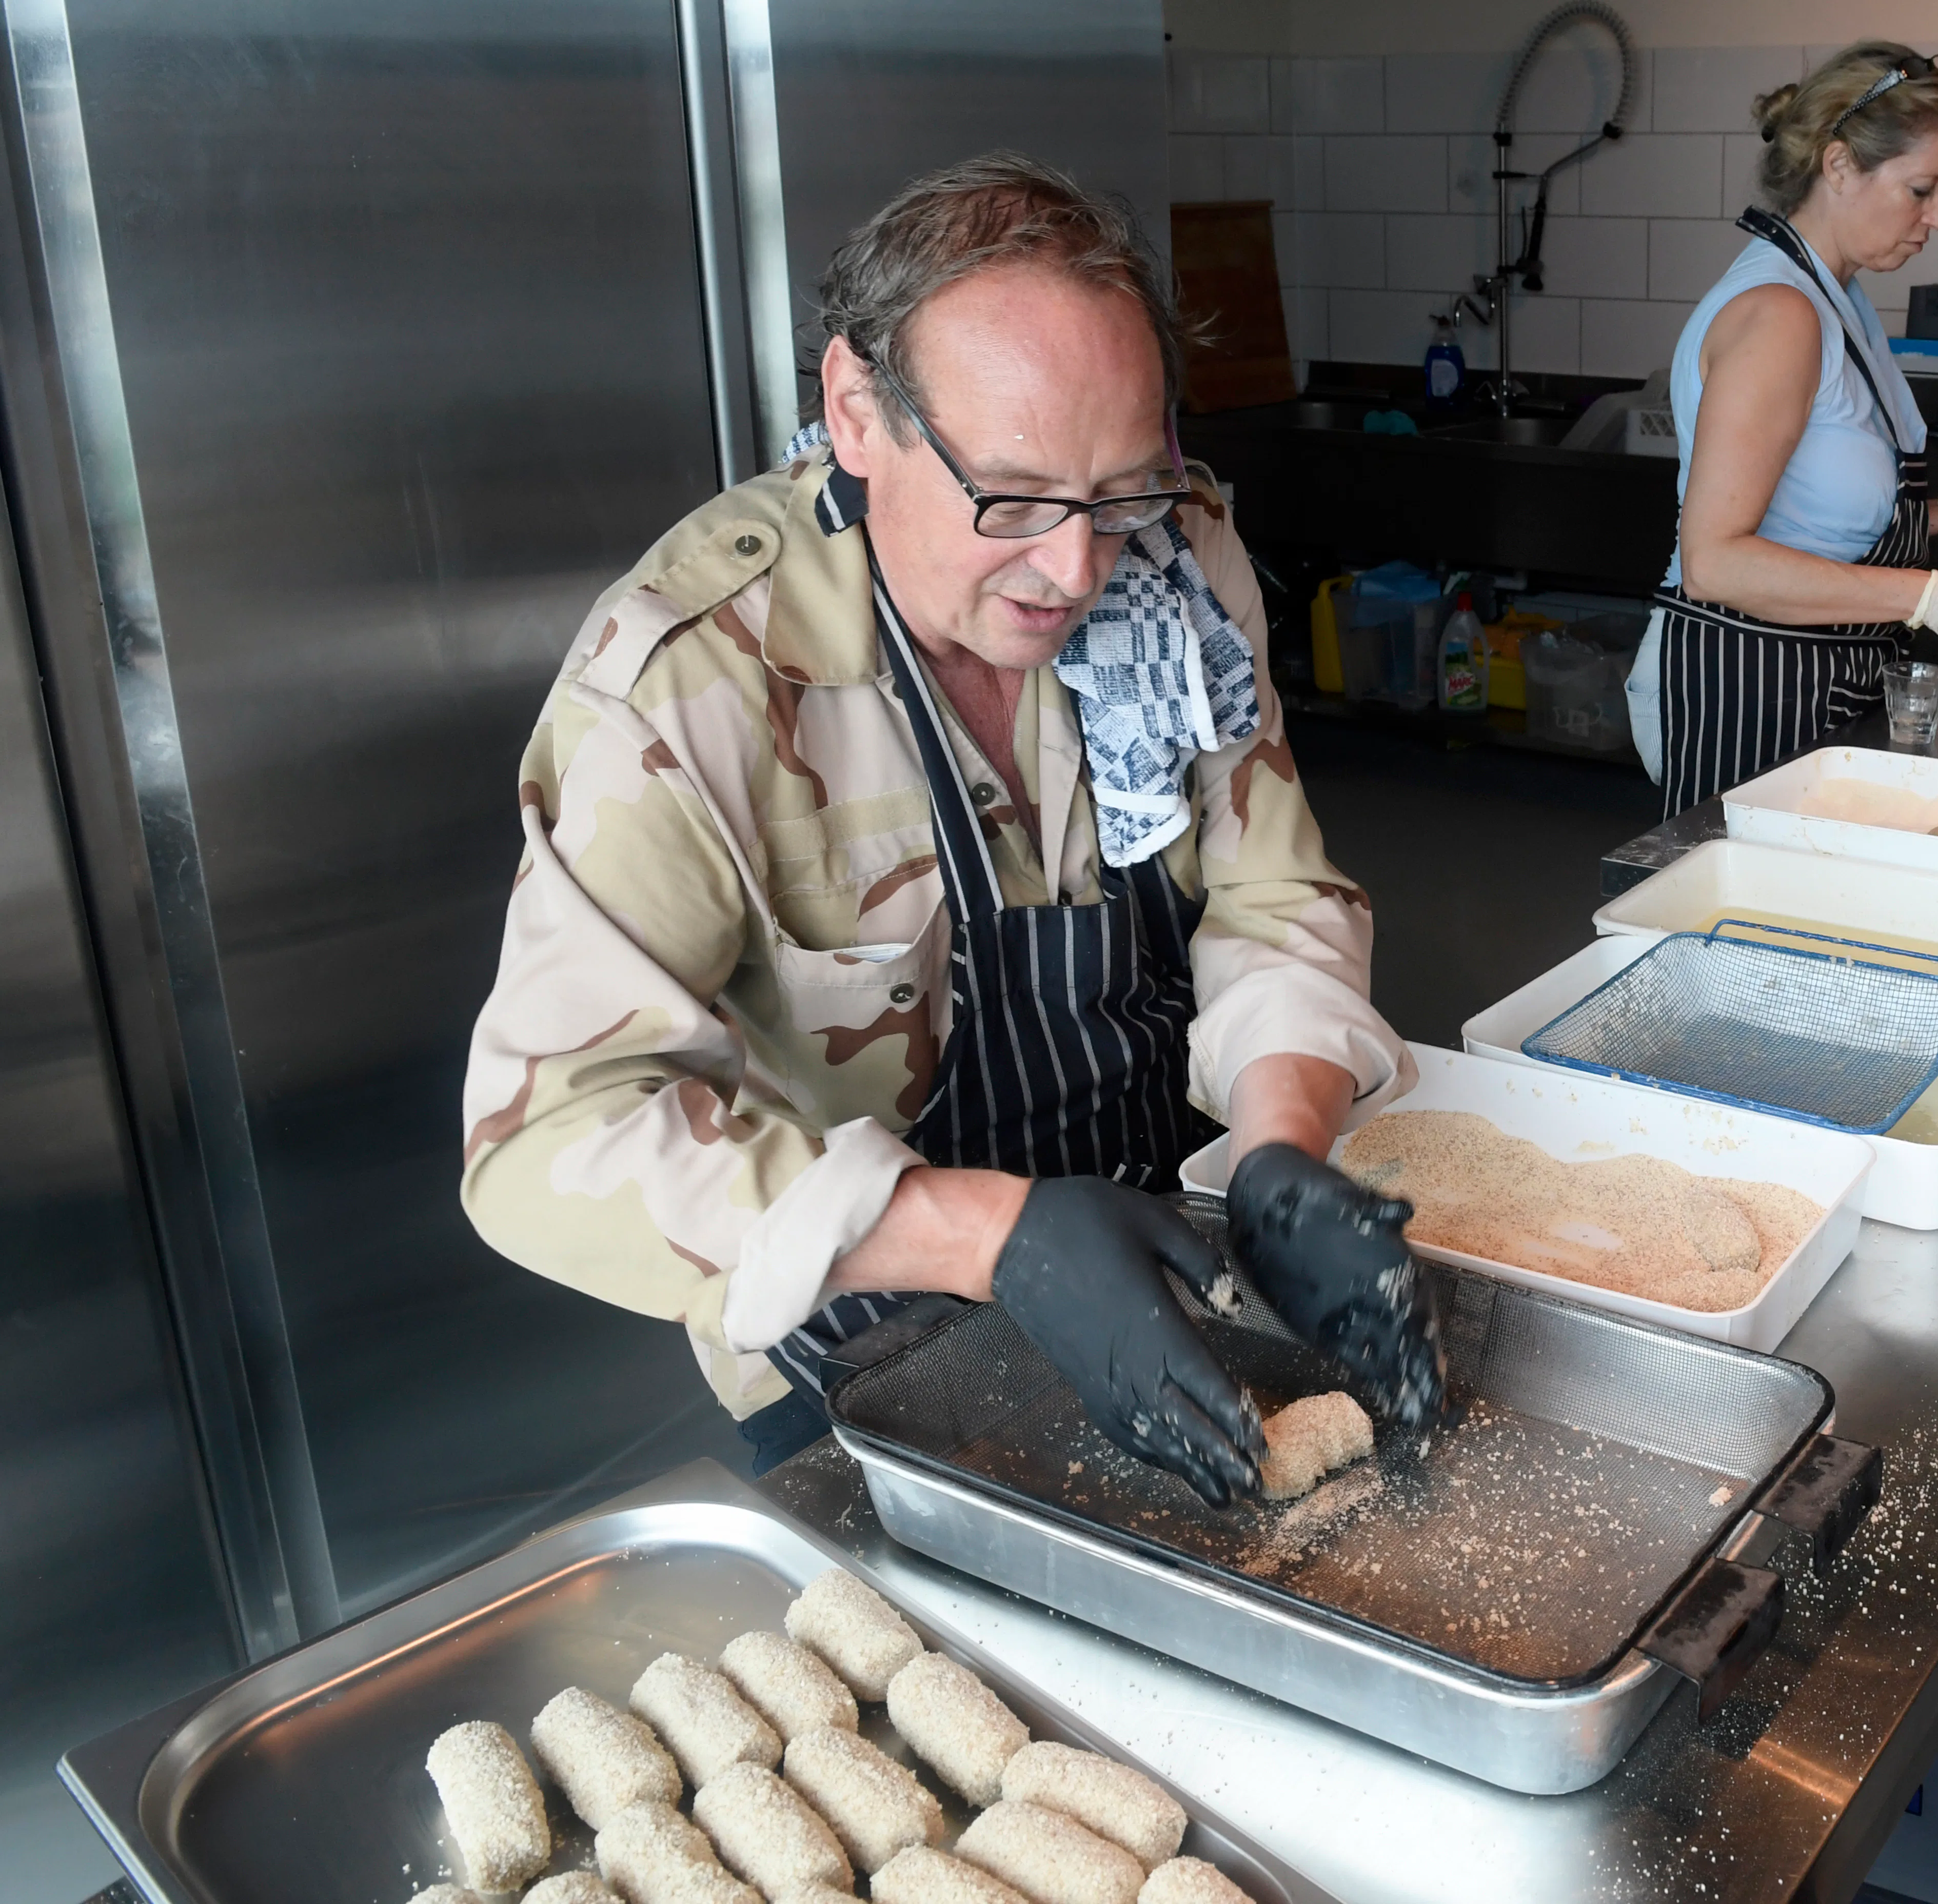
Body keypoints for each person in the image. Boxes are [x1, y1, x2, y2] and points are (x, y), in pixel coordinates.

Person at [460, 155, 1440, 1496]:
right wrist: (985, 1235)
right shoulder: (698, 680)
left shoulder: (1177, 568)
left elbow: (1267, 894)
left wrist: (1279, 1146)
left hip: (1172, 1265)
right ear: (857, 412)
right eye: (1014, 498)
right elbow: (545, 1137)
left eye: (1118, 491)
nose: (1075, 570)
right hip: (867, 1345)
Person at [1626, 41, 1938, 812]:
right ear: (1839, 165)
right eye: (1921, 190)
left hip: (1820, 677)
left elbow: (1817, 514)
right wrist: (1934, 596)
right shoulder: (1780, 314)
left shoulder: (1836, 299)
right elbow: (1717, 563)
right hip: (1747, 687)